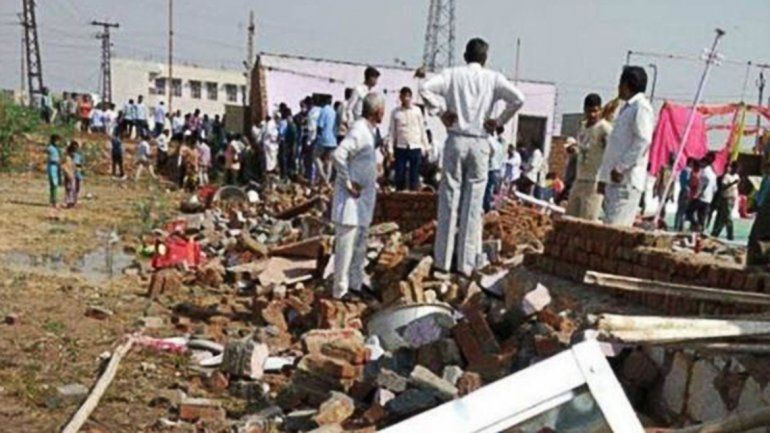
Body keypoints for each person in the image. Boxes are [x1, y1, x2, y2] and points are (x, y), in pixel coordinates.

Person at [420, 38, 525, 277]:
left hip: (456, 139)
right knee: (473, 204)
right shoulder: (493, 78)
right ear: (485, 59)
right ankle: (466, 264)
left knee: (449, 200)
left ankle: (442, 262)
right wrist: (498, 122)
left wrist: (441, 112)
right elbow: (518, 99)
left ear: (465, 56)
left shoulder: (452, 75)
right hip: (479, 141)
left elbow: (425, 88)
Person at [331, 93, 385, 299]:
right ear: (378, 111)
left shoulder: (370, 131)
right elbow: (338, 155)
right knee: (346, 246)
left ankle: (354, 283)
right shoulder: (359, 130)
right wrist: (347, 181)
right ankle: (340, 289)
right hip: (351, 200)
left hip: (364, 199)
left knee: (360, 245)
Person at [597, 66, 655, 227]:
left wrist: (621, 167)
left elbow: (643, 141)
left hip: (626, 180)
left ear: (627, 84)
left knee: (615, 230)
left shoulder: (641, 107)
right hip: (615, 182)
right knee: (609, 228)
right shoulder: (628, 108)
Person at [566, 94, 612, 221]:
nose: (592, 114)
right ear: (584, 110)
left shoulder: (604, 128)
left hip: (594, 181)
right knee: (570, 218)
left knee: (588, 219)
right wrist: (574, 149)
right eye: (589, 111)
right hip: (580, 178)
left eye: (595, 111)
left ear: (600, 110)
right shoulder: (583, 127)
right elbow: (582, 147)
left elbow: (612, 150)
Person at [388, 87, 430, 191]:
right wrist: (390, 149)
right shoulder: (395, 112)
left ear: (411, 97)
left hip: (415, 145)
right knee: (400, 173)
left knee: (414, 174)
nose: (406, 99)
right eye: (404, 96)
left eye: (408, 96)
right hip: (401, 146)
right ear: (400, 97)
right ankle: (399, 196)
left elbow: (422, 129)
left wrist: (427, 146)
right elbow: (392, 131)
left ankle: (413, 196)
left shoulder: (417, 111)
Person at [748, 156, 770, 266]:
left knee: (760, 236)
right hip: (762, 209)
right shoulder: (765, 179)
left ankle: (759, 262)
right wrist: (755, 204)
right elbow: (760, 193)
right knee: (756, 236)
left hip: (766, 212)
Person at [687, 155, 717, 232]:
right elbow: (715, 188)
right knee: (702, 217)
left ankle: (696, 225)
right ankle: (700, 231)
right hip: (708, 199)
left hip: (701, 197)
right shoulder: (713, 174)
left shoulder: (704, 171)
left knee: (689, 211)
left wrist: (698, 194)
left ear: (705, 163)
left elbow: (704, 184)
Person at [712, 161, 740, 240]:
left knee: (723, 217)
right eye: (735, 168)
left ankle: (716, 232)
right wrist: (732, 183)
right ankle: (730, 234)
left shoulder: (737, 176)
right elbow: (723, 187)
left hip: (733, 198)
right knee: (728, 217)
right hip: (726, 198)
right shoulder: (727, 176)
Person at [315, 95, 339, 185]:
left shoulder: (323, 110)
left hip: (324, 138)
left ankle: (323, 177)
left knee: (316, 157)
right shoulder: (334, 111)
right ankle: (327, 181)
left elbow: (320, 126)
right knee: (329, 161)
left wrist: (317, 136)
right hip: (333, 139)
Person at [484, 127, 506, 212]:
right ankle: (489, 207)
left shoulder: (488, 140)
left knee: (487, 190)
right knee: (492, 190)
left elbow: (491, 152)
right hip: (497, 169)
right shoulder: (499, 144)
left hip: (490, 168)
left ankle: (486, 209)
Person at [674, 158, 696, 231]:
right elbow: (689, 182)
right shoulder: (688, 171)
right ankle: (680, 227)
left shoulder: (683, 171)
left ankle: (677, 226)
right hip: (686, 192)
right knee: (683, 211)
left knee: (680, 210)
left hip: (682, 191)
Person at [280, 107, 298, 179]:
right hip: (292, 143)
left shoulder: (284, 123)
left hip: (285, 143)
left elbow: (281, 133)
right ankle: (291, 174)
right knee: (291, 159)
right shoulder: (293, 124)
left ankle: (285, 175)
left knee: (285, 159)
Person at [62, 141, 80, 208]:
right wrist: (67, 173)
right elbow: (64, 165)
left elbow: (75, 166)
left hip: (72, 174)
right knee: (68, 188)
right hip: (68, 174)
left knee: (72, 188)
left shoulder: (74, 157)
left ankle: (71, 201)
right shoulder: (67, 157)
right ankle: (67, 202)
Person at [46, 135, 62, 207]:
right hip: (52, 166)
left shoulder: (58, 149)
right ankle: (54, 200)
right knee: (53, 183)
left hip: (57, 167)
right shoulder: (50, 148)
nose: (58, 142)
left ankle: (53, 200)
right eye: (56, 140)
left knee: (56, 184)